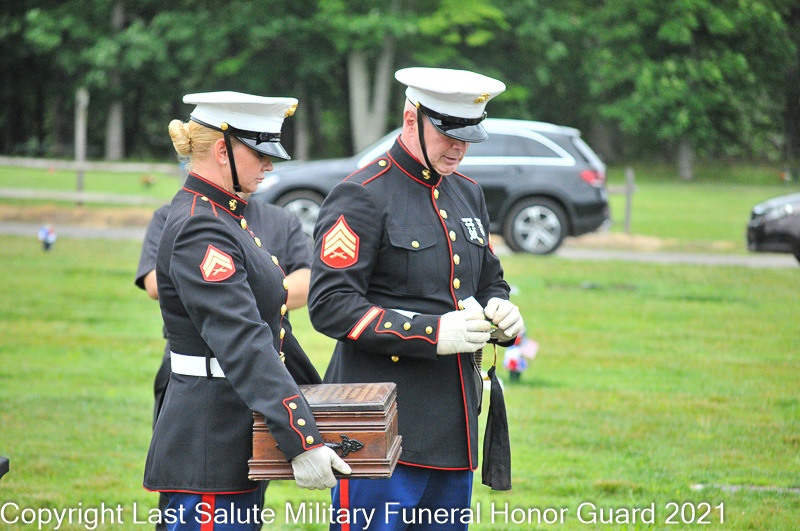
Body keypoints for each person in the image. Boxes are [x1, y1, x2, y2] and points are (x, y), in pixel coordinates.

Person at [308, 68, 525, 530]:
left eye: (468, 137)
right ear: (412, 119)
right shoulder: (361, 194)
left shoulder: (467, 193)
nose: (459, 147)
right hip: (380, 426)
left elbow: (488, 279)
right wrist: (432, 332)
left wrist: (501, 311)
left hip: (454, 424)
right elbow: (330, 304)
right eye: (448, 134)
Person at [143, 91, 350, 530]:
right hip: (210, 438)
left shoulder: (224, 216)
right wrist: (302, 437)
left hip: (232, 427)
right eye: (260, 153)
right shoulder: (201, 225)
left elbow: (273, 330)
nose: (269, 165)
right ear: (222, 151)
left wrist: (319, 405)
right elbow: (243, 340)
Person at [135, 195, 314, 531]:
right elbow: (155, 283)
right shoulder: (185, 218)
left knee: (247, 497)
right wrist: (240, 291)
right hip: (202, 385)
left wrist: (238, 290)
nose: (268, 170)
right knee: (192, 487)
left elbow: (306, 282)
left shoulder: (280, 219)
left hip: (263, 374)